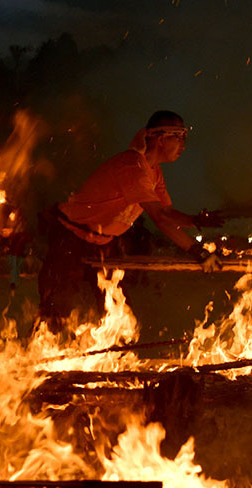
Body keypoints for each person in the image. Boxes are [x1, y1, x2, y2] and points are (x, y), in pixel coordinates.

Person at [37, 110, 224, 330]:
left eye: (185, 137)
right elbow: (160, 218)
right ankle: (40, 351)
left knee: (117, 314)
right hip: (70, 239)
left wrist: (195, 221)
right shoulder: (133, 166)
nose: (184, 144)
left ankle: (111, 357)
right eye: (179, 136)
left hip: (104, 243)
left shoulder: (154, 172)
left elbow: (168, 211)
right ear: (160, 138)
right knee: (55, 311)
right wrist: (198, 252)